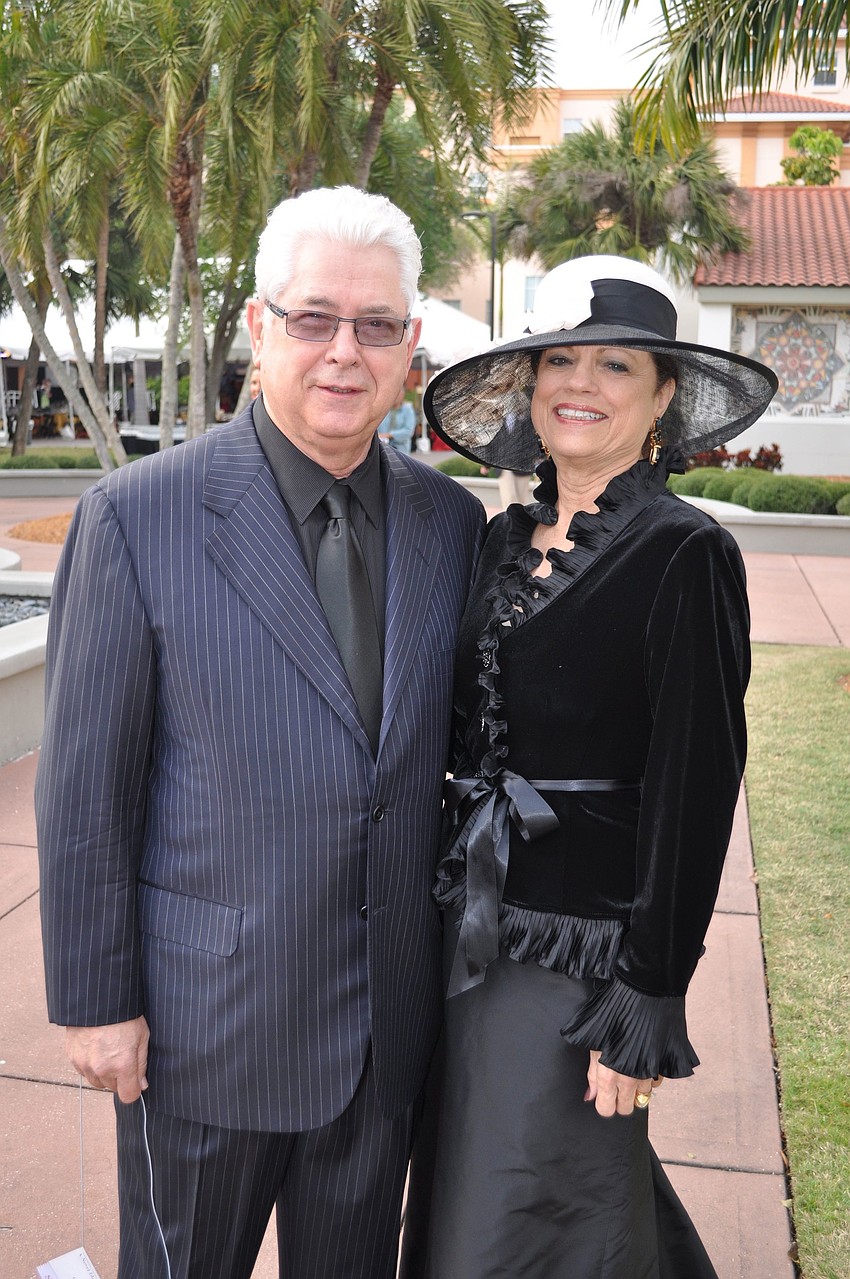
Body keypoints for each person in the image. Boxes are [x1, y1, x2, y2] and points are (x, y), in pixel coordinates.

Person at [36, 185, 484, 1279]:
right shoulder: (136, 518)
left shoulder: (449, 524)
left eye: (376, 326)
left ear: (410, 344)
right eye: (313, 318)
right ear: (257, 326)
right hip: (204, 1034)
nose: (344, 352)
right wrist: (98, 1005)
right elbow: (87, 788)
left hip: (386, 1035)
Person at [400, 255, 777, 1278]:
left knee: (532, 1204)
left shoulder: (682, 552)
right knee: (489, 1184)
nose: (579, 382)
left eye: (615, 364)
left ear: (662, 399)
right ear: (528, 386)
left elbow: (694, 789)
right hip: (468, 928)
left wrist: (648, 995)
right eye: (558, 359)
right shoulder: (498, 540)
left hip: (579, 959)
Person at [378, 386, 416, 451]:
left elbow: (408, 431)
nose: (395, 397)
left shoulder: (408, 410)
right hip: (382, 448)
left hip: (401, 449)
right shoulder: (382, 409)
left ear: (402, 395)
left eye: (398, 394)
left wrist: (389, 435)